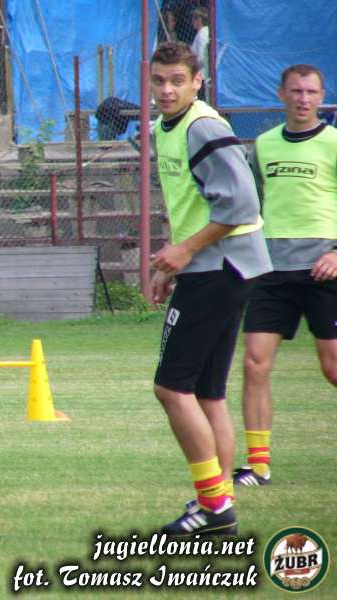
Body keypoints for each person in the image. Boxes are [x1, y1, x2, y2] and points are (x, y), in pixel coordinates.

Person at [148, 42, 272, 536]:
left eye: (177, 80)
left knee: (170, 387)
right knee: (208, 393)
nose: (167, 90)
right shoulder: (164, 128)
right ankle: (219, 500)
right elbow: (193, 204)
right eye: (159, 80)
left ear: (197, 82)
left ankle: (215, 506)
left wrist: (183, 252)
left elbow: (241, 205)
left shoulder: (204, 127)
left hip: (221, 267)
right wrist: (173, 263)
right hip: (220, 266)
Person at [235, 65, 337, 487]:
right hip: (273, 271)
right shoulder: (263, 145)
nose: (303, 99)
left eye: (311, 92)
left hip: (323, 270)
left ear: (322, 96)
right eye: (296, 91)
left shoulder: (333, 143)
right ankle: (258, 466)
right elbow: (252, 204)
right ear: (281, 94)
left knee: (332, 368)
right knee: (254, 364)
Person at [189, 7, 209, 100]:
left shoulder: (202, 34)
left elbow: (201, 57)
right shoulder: (205, 32)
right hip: (203, 74)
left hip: (202, 75)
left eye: (194, 18)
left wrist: (190, 65)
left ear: (200, 19)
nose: (192, 21)